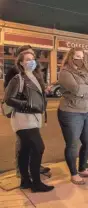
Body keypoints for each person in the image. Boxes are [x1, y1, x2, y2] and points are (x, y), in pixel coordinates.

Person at [4, 49, 54, 192]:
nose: (31, 62)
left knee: (25, 149)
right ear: (20, 62)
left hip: (33, 118)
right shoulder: (18, 78)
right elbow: (8, 99)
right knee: (38, 148)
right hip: (23, 119)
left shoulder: (35, 76)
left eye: (32, 59)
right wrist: (27, 105)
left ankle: (25, 181)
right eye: (27, 59)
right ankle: (36, 183)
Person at [57, 47, 88, 185]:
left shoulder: (85, 71)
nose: (80, 59)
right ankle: (74, 174)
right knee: (73, 144)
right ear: (70, 57)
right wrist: (86, 90)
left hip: (85, 111)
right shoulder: (65, 72)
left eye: (82, 57)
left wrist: (84, 91)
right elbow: (77, 89)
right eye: (77, 57)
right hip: (70, 112)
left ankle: (82, 168)